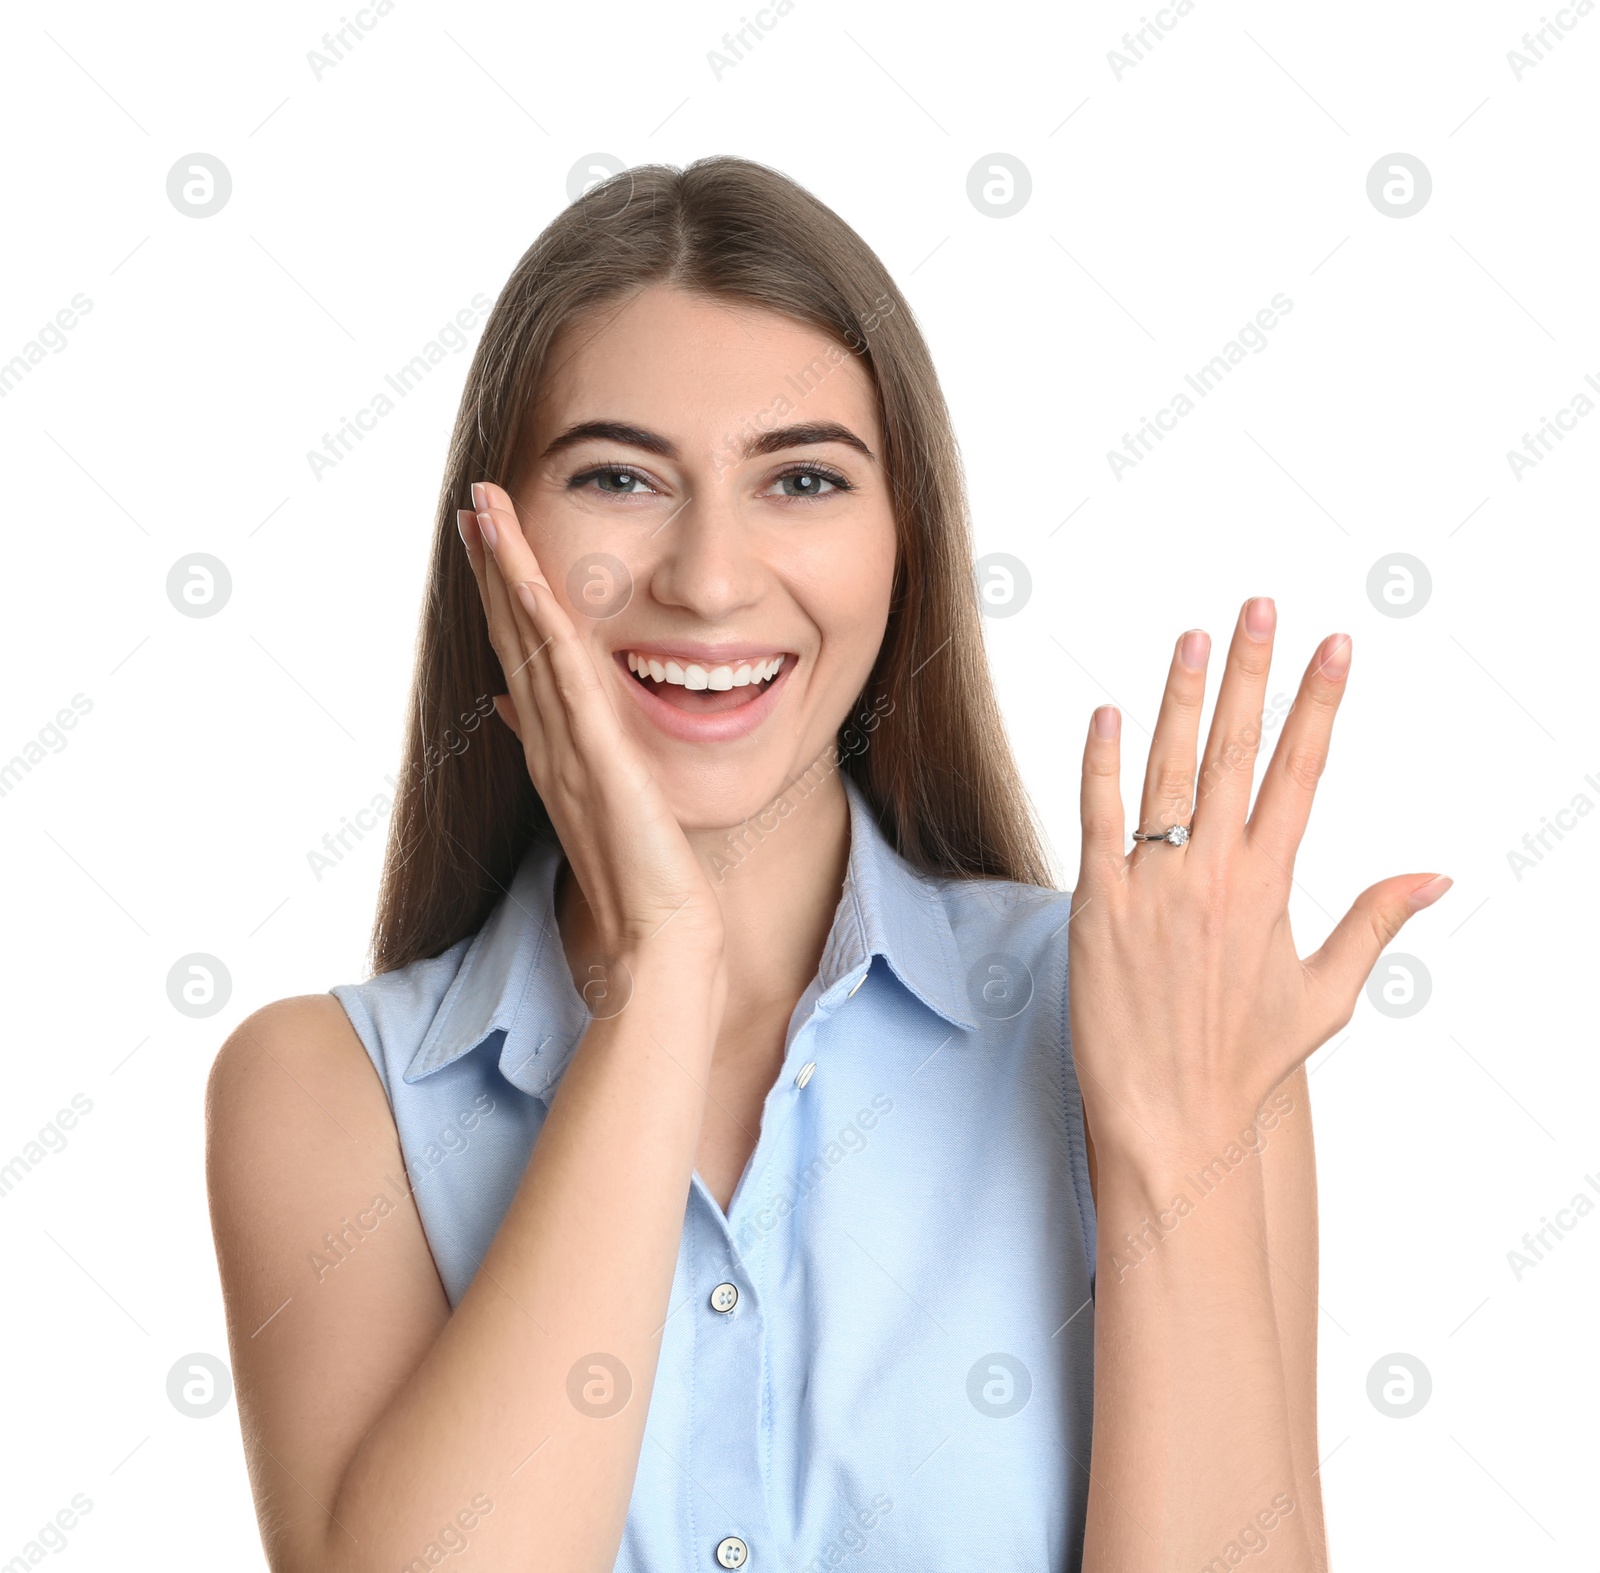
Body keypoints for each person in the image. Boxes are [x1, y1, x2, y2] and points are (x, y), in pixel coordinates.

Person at [205, 155, 1450, 1572]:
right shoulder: (327, 1092)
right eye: (618, 476)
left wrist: (1172, 1153)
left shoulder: (1156, 1015)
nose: (712, 577)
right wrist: (661, 982)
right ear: (499, 550)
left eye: (803, 479)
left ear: (903, 543)